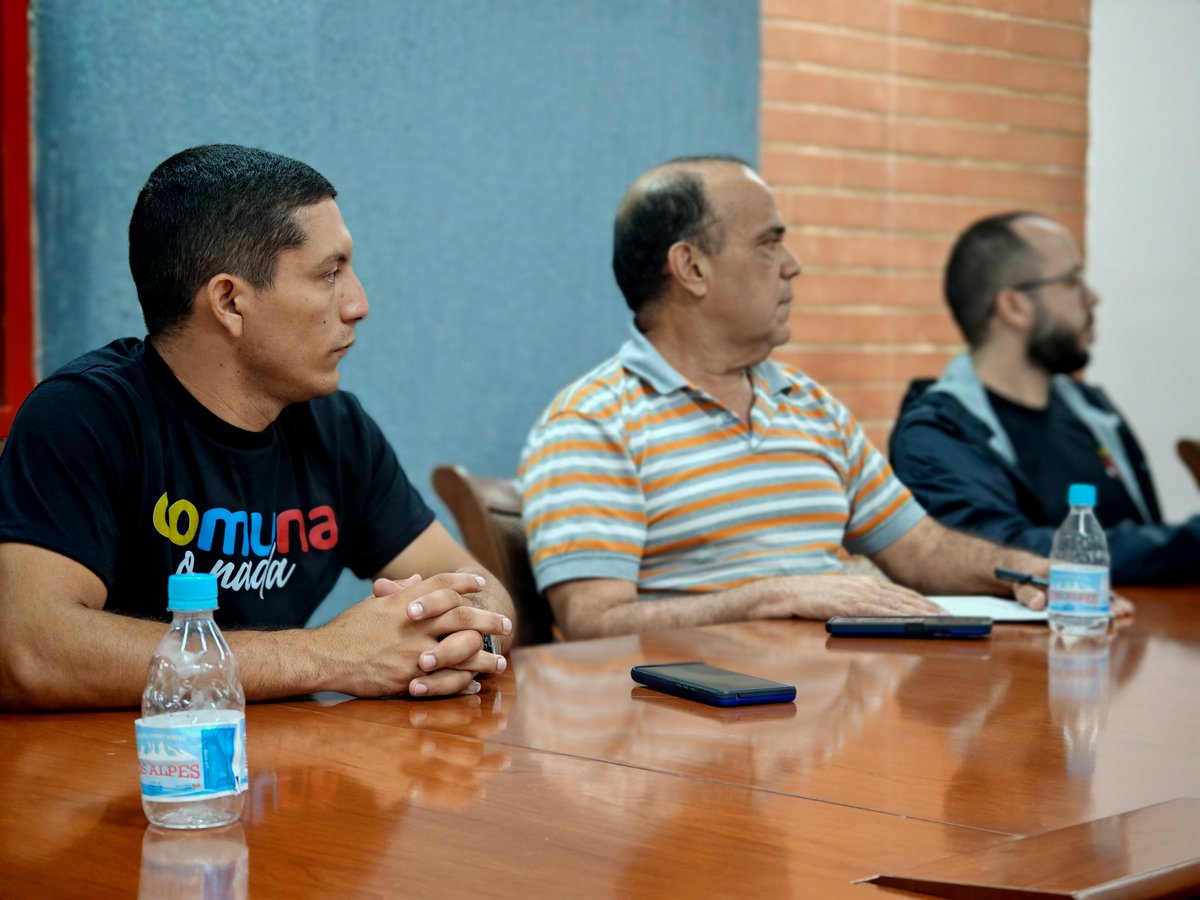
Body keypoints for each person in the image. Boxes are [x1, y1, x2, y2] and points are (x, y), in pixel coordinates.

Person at [0, 144, 514, 710]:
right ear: (229, 302)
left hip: (287, 768)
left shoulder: (336, 428)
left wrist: (463, 637)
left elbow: (481, 589)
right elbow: (32, 648)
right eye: (329, 273)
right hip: (135, 780)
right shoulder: (85, 416)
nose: (358, 303)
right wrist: (331, 655)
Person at [518, 156, 1071, 641]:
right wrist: (774, 598)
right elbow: (592, 623)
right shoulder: (592, 423)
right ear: (691, 268)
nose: (793, 264)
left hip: (834, 721)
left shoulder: (809, 404)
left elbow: (923, 552)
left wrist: (1026, 571)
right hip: (695, 727)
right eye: (769, 242)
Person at [889, 212, 1199, 584]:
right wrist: (1189, 541)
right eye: (1071, 281)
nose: (1091, 297)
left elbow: (1151, 559)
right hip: (1033, 643)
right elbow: (1006, 556)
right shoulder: (936, 435)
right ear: (1014, 307)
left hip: (1137, 637)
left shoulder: (1095, 412)